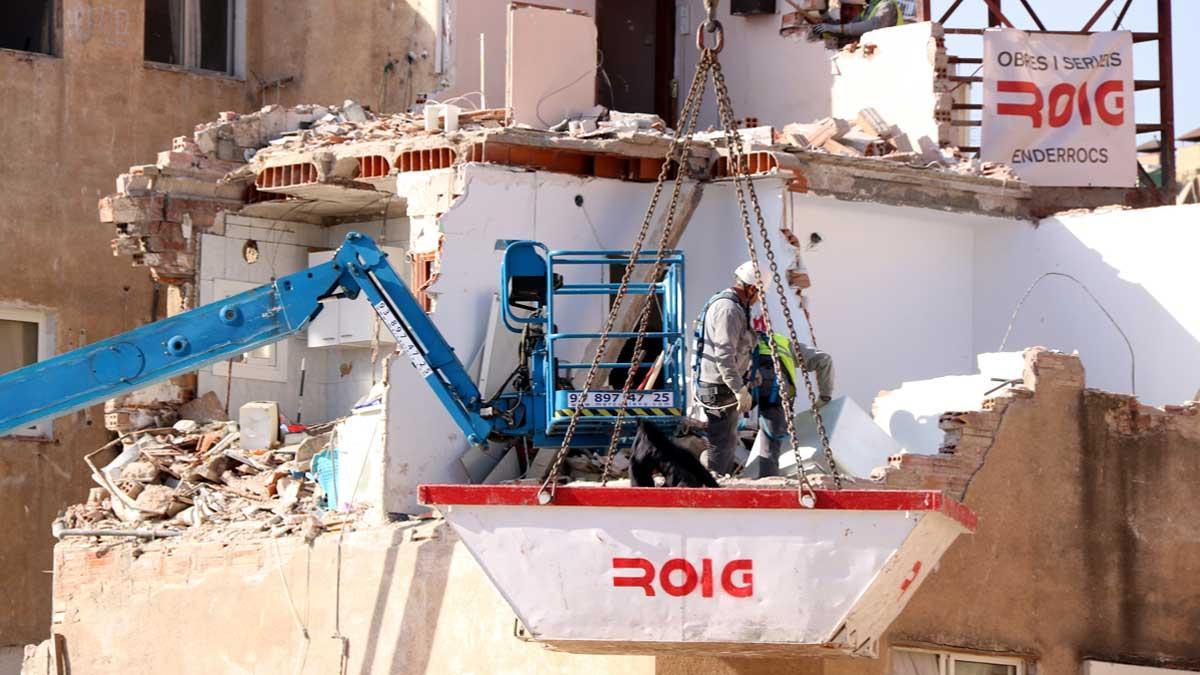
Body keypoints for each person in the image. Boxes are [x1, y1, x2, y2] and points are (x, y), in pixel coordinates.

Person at [692, 261, 761, 475]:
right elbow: (724, 356)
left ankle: (713, 477)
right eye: (759, 293)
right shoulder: (729, 310)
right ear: (751, 288)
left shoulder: (732, 305)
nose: (759, 299)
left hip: (719, 384)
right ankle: (714, 484)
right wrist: (739, 389)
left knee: (725, 439)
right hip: (719, 387)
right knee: (722, 442)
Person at [746, 332, 834, 479]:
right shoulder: (783, 342)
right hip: (773, 387)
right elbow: (824, 359)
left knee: (724, 431)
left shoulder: (737, 337)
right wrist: (825, 396)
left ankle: (717, 477)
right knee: (770, 443)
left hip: (744, 381)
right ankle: (767, 481)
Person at [808, 0, 903, 47]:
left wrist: (834, 28)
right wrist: (825, 16)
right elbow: (850, 27)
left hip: (889, 55)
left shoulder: (887, 5)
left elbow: (872, 26)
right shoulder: (870, 8)